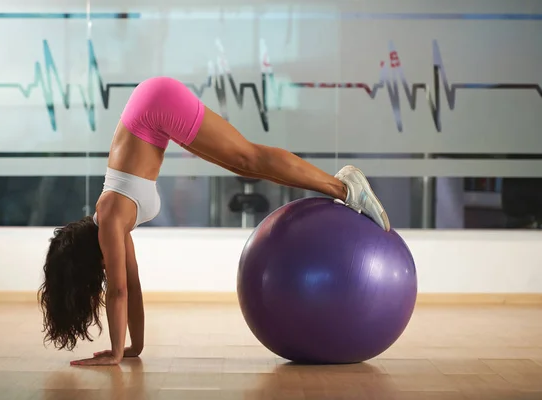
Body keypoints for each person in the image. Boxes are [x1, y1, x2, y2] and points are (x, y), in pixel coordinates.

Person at [38, 76, 390, 366]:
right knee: (243, 165)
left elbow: (118, 291)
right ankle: (341, 186)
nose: (98, 278)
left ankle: (346, 188)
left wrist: (114, 353)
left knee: (248, 157)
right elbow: (132, 287)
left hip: (154, 105)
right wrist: (133, 347)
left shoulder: (112, 217)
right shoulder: (113, 223)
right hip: (151, 111)